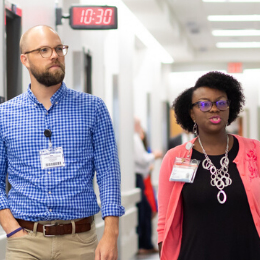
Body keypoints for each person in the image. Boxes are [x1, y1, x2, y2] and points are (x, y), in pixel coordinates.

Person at [0, 25, 125, 260]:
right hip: (25, 242)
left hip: (80, 241)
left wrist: (111, 233)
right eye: (44, 50)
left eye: (59, 48)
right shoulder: (4, 115)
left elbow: (109, 174)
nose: (55, 55)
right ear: (25, 59)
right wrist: (11, 228)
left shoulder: (93, 109)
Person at [157, 71, 260, 260]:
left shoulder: (255, 151)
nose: (214, 109)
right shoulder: (176, 158)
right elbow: (164, 223)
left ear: (230, 108)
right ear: (191, 113)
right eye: (204, 104)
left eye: (221, 102)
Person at [134, 118, 162, 254]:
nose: (141, 127)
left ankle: (146, 244)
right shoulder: (134, 138)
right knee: (144, 210)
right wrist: (154, 155)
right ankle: (143, 245)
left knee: (147, 210)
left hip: (143, 178)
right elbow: (142, 159)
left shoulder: (136, 138)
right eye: (139, 124)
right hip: (139, 178)